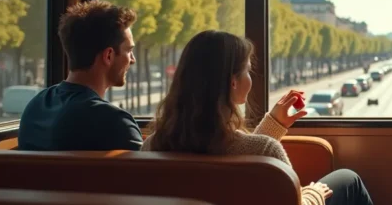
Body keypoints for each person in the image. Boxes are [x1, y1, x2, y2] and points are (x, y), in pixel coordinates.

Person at [142, 30, 373, 205]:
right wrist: (313, 194)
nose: (251, 78)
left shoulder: (151, 147)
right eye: (248, 71)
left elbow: (238, 154)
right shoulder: (266, 152)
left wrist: (274, 124)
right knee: (348, 179)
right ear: (233, 82)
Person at [19, 0, 141, 151]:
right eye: (129, 51)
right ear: (108, 55)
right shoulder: (114, 122)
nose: (133, 60)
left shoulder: (36, 107)